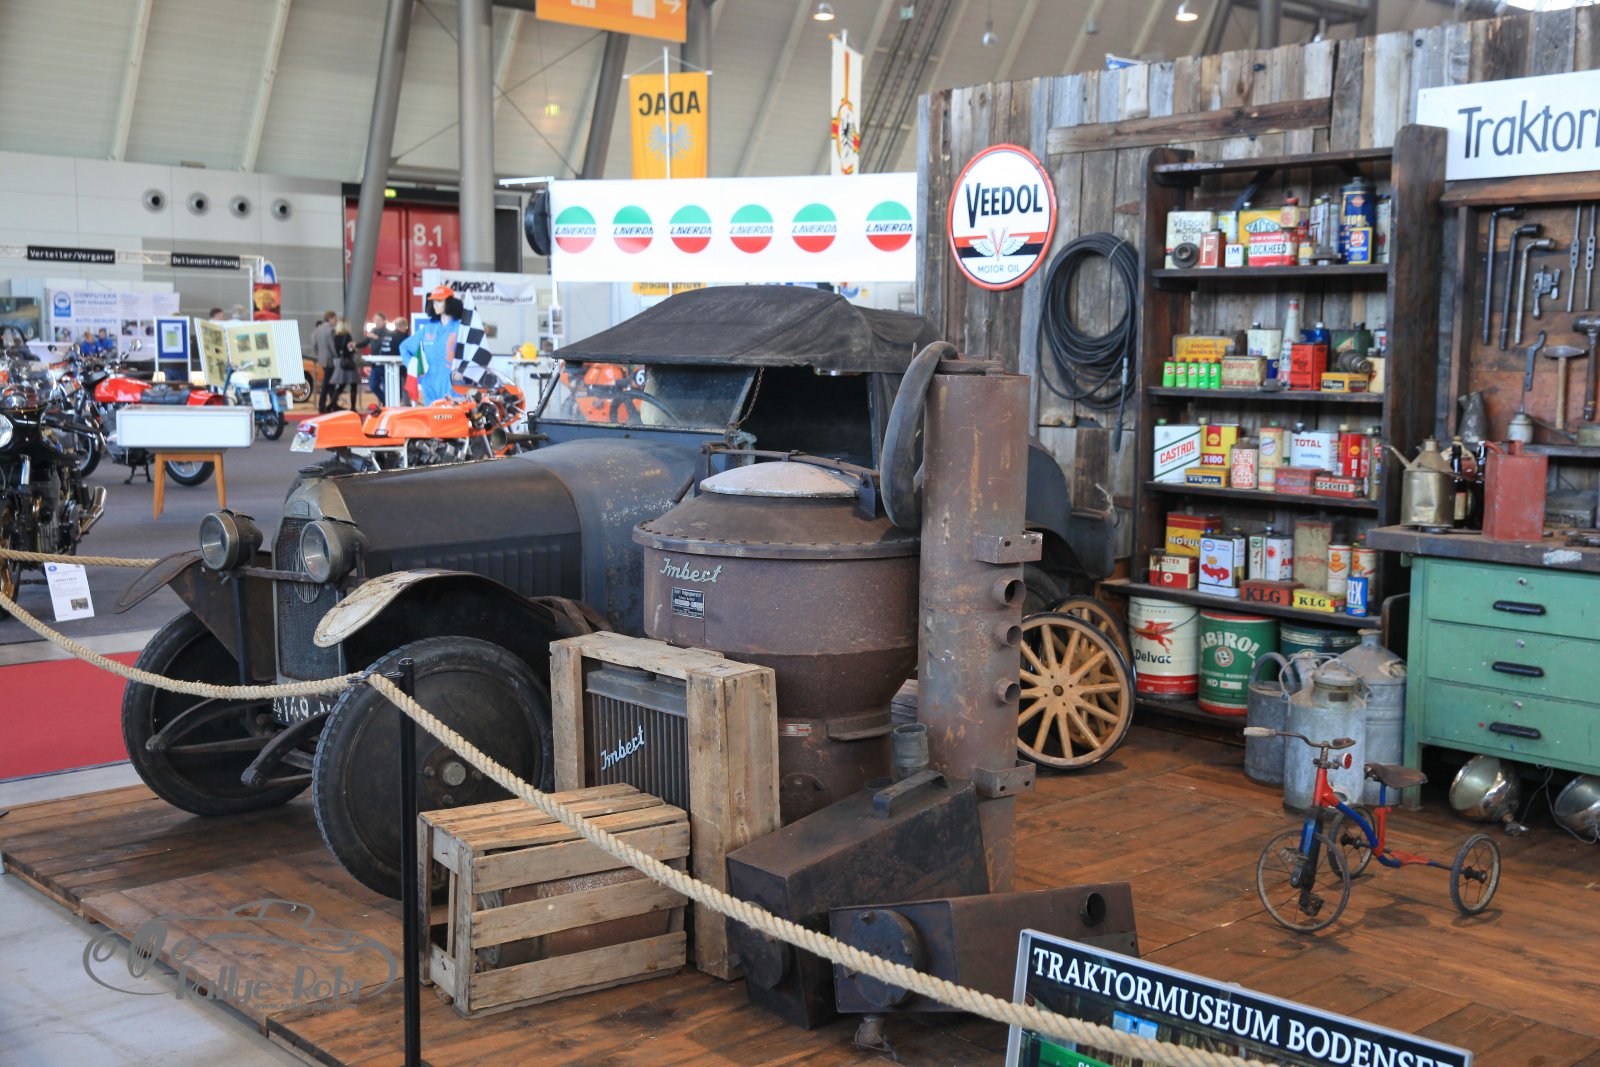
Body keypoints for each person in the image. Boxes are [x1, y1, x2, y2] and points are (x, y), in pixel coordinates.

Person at [398, 286, 461, 405]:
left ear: (450, 303)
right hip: (429, 385)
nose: (435, 305)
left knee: (452, 416)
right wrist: (414, 367)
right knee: (431, 415)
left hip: (453, 387)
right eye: (434, 302)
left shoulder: (461, 329)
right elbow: (404, 347)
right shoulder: (427, 330)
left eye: (439, 301)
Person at [360, 312, 403, 405]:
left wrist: (376, 338)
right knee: (373, 385)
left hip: (386, 363)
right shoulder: (373, 330)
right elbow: (365, 342)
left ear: (384, 321)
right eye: (375, 319)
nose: (376, 321)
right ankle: (386, 402)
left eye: (378, 320)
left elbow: (387, 342)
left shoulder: (389, 332)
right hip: (375, 363)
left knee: (387, 385)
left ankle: (389, 404)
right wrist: (355, 345)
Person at [330, 317, 361, 411]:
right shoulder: (347, 336)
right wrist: (354, 349)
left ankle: (332, 404)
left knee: (340, 385)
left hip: (340, 362)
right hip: (348, 362)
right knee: (353, 385)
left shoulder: (336, 336)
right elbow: (349, 350)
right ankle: (353, 407)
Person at [311, 310, 339, 412]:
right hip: (330, 359)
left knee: (330, 382)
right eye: (335, 318)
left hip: (322, 360)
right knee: (328, 383)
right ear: (330, 318)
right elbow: (332, 346)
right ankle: (322, 405)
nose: (336, 321)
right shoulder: (331, 330)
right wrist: (338, 356)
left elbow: (314, 346)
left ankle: (333, 404)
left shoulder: (317, 330)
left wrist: (319, 356)